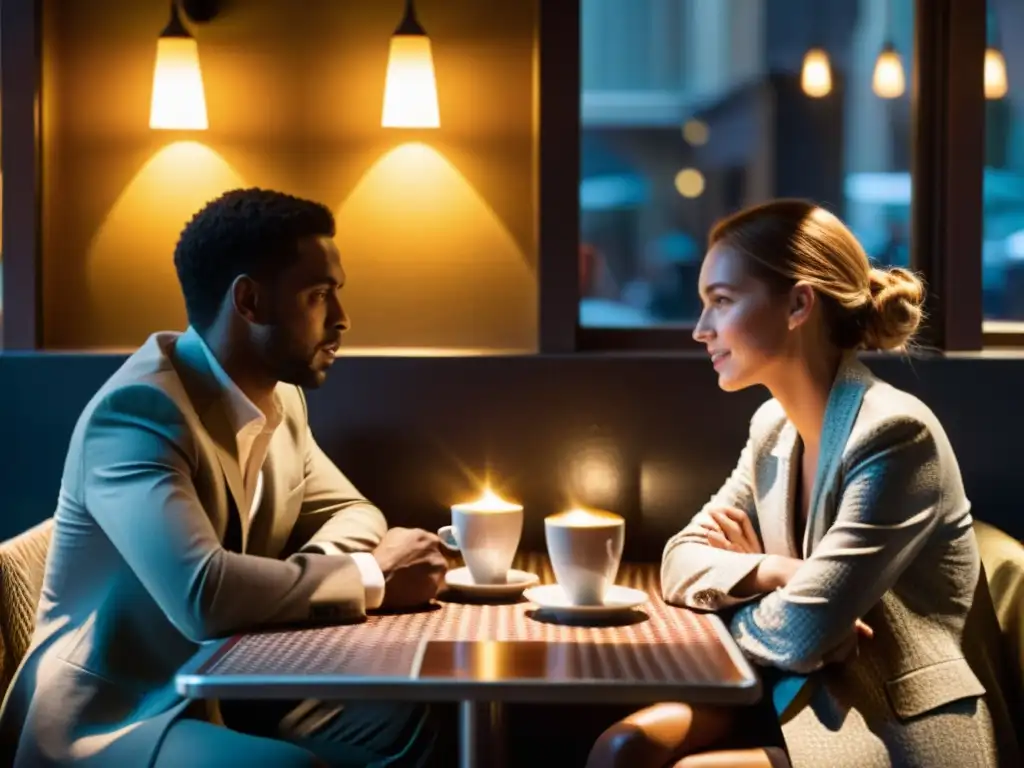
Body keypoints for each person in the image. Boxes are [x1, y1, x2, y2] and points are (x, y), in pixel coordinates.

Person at [0, 188, 450, 767]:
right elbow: (205, 594)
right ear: (250, 301)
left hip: (234, 685)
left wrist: (303, 583)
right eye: (318, 296)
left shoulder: (280, 400)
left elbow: (355, 512)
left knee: (406, 719)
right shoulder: (138, 414)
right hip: (119, 716)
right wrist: (368, 575)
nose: (341, 319)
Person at [585, 199, 1020, 768]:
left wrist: (772, 613)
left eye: (721, 301)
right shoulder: (772, 429)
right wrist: (777, 574)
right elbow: (680, 559)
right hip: (796, 690)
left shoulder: (895, 435)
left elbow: (805, 630)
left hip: (893, 726)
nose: (700, 330)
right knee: (622, 749)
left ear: (796, 305)